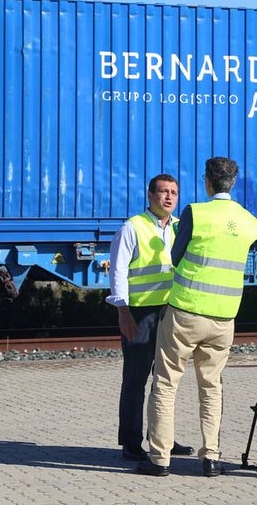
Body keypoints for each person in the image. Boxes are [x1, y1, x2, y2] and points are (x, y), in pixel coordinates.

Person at [139, 157, 257, 478]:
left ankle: (160, 458)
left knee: (166, 384)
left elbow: (174, 256)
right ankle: (210, 456)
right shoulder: (251, 223)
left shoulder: (196, 213)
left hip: (185, 312)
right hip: (223, 318)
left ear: (207, 181)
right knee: (212, 387)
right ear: (233, 182)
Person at [106, 174, 195, 463]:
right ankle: (130, 442)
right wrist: (123, 312)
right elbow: (117, 271)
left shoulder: (182, 228)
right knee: (135, 378)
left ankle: (161, 438)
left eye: (174, 192)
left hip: (171, 312)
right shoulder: (133, 227)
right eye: (163, 192)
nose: (169, 197)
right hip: (140, 314)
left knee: (165, 379)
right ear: (150, 195)